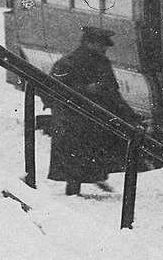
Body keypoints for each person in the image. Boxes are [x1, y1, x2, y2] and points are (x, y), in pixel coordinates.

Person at [47, 26, 143, 196]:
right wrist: (85, 90)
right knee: (77, 157)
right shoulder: (70, 63)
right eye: (102, 45)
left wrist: (131, 116)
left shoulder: (92, 62)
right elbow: (53, 90)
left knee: (80, 157)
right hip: (77, 120)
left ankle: (83, 185)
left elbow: (112, 92)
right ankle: (74, 192)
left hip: (83, 120)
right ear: (90, 43)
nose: (104, 49)